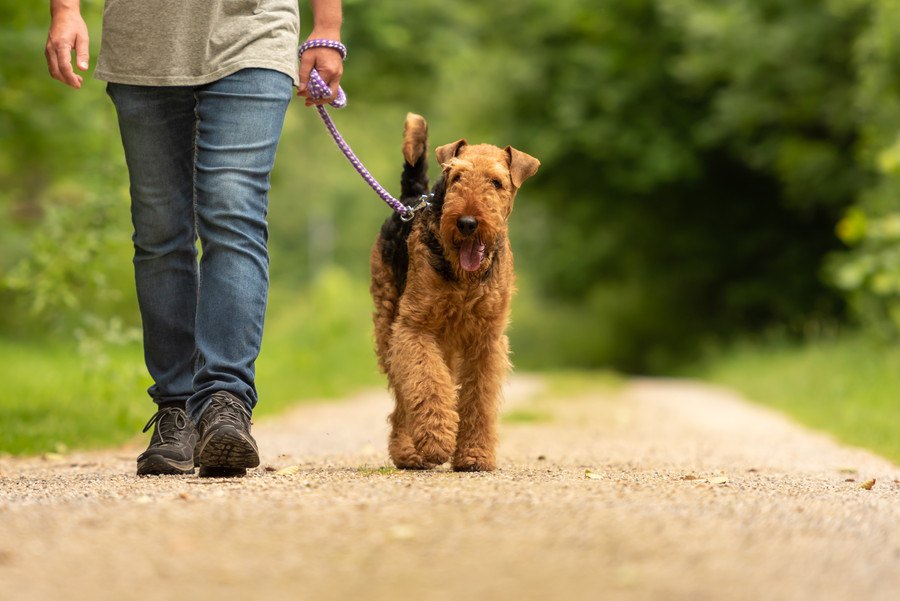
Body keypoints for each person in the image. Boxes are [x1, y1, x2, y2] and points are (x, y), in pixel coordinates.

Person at [45, 0, 344, 477]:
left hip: (254, 31)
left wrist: (326, 29)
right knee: (160, 230)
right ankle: (177, 408)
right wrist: (65, 10)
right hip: (142, 46)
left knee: (232, 212)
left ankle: (225, 401)